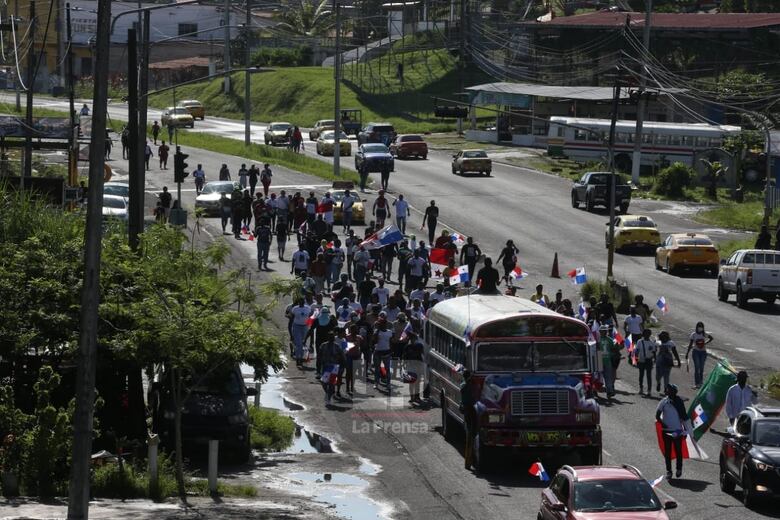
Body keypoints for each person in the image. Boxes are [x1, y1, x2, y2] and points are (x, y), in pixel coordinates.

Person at [656, 384, 689, 479]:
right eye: (667, 389)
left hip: (677, 431)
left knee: (678, 450)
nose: (667, 391)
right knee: (668, 451)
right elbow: (657, 416)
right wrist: (663, 424)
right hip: (666, 431)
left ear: (674, 392)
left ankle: (679, 469)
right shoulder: (663, 402)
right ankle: (669, 471)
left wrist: (686, 430)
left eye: (669, 390)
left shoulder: (679, 402)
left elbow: (684, 416)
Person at [319, 332, 345, 405]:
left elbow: (342, 356)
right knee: (323, 382)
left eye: (332, 337)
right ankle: (328, 393)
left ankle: (329, 398)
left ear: (334, 338)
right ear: (328, 338)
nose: (331, 338)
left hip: (334, 367)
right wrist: (319, 364)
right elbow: (319, 355)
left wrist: (342, 366)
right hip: (325, 366)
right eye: (330, 337)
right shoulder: (323, 345)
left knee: (331, 383)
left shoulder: (337, 346)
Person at [685, 322, 713, 389]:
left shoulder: (704, 334)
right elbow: (690, 344)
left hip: (703, 352)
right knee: (697, 368)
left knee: (701, 368)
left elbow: (711, 338)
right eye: (699, 326)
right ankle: (697, 383)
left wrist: (705, 343)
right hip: (696, 352)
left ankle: (701, 383)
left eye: (701, 327)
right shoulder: (693, 335)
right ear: (696, 327)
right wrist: (687, 353)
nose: (700, 328)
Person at [289, 299, 312, 368]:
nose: (301, 303)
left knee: (303, 343)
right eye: (300, 302)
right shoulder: (295, 309)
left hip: (305, 327)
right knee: (298, 343)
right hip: (297, 326)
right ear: (298, 302)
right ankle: (298, 359)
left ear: (304, 302)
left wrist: (309, 326)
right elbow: (292, 318)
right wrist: (290, 328)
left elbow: (310, 317)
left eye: (302, 302)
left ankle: (301, 358)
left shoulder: (308, 308)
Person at [460, 370, 476, 470]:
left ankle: (468, 462)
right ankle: (469, 461)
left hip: (466, 410)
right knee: (470, 436)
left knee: (469, 435)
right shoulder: (467, 386)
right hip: (470, 410)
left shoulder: (463, 384)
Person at [372, 319, 393, 391]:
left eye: (382, 324)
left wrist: (391, 351)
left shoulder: (389, 332)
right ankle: (376, 383)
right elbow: (374, 341)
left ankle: (388, 384)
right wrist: (377, 331)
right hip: (378, 352)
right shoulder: (376, 332)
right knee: (377, 369)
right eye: (380, 324)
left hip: (387, 352)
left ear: (385, 324)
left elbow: (391, 342)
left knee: (387, 369)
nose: (381, 325)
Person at [404, 331, 424, 404]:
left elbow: (422, 355)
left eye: (413, 338)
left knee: (415, 383)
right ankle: (413, 397)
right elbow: (405, 358)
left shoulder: (418, 346)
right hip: (412, 366)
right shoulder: (408, 347)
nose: (412, 340)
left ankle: (416, 397)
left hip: (416, 366)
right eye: (411, 338)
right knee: (412, 383)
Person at [635, 328, 656, 397]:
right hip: (641, 360)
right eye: (646, 333)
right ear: (643, 334)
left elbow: (654, 352)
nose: (647, 335)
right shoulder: (639, 341)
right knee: (641, 375)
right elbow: (637, 351)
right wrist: (636, 359)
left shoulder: (652, 343)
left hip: (649, 360)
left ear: (650, 334)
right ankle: (641, 388)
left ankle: (649, 390)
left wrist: (654, 359)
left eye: (648, 334)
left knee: (649, 376)